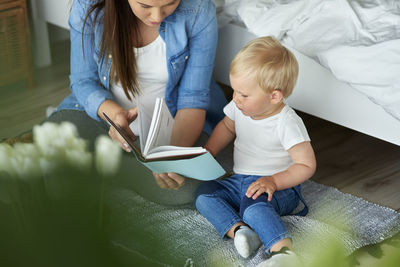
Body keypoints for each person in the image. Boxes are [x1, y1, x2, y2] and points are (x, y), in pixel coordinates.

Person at [48, 0, 226, 205]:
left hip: (165, 128)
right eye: (145, 5)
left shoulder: (199, 9)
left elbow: (192, 99)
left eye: (171, 3)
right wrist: (114, 115)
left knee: (185, 190)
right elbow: (83, 81)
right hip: (101, 115)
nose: (158, 17)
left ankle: (104, 166)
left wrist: (170, 157)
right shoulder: (88, 5)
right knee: (47, 153)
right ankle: (109, 163)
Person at [194, 36, 316, 265]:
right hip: (240, 180)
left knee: (254, 208)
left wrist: (274, 181)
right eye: (234, 90)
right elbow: (226, 127)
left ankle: (284, 252)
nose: (235, 98)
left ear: (275, 96)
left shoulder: (286, 122)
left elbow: (306, 165)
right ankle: (241, 232)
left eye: (243, 94)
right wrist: (207, 151)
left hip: (278, 188)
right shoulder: (239, 107)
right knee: (204, 194)